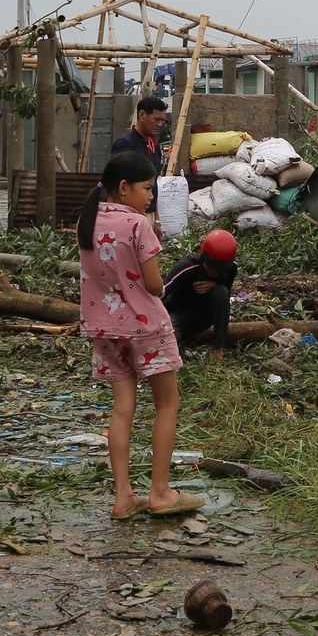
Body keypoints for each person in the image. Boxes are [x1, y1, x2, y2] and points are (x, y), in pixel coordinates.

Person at [78, 150, 203, 520]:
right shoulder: (137, 225)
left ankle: (123, 497)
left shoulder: (87, 221)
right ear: (123, 188)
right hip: (147, 328)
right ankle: (161, 492)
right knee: (167, 405)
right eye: (147, 189)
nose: (151, 197)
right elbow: (153, 284)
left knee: (121, 410)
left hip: (104, 329)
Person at [163, 228, 237, 361]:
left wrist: (216, 284)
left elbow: (224, 299)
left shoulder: (231, 269)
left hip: (205, 317)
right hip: (179, 315)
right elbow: (162, 291)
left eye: (218, 270)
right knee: (170, 339)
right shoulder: (187, 267)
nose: (214, 272)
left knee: (221, 292)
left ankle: (218, 350)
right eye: (211, 268)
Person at [110, 97, 170, 170]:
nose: (160, 124)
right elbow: (112, 178)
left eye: (162, 120)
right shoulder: (125, 144)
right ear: (142, 115)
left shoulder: (154, 146)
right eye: (156, 119)